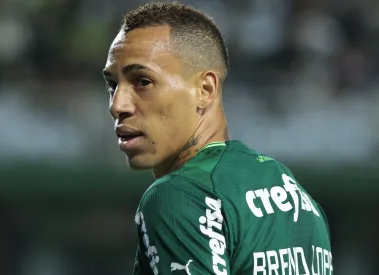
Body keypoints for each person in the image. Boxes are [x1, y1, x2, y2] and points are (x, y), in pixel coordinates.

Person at [102, 3, 333, 275]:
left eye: (142, 81)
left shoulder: (179, 194)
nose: (117, 105)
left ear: (205, 89)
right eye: (112, 85)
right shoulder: (294, 194)